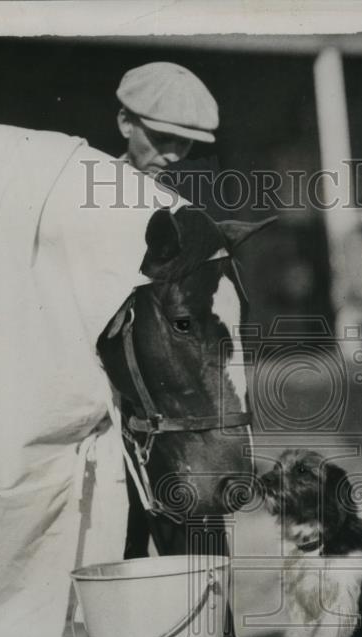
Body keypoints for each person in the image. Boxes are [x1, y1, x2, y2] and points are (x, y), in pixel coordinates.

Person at [113, 62, 220, 559]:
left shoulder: (183, 211)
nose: (174, 154)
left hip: (171, 414)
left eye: (187, 143)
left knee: (202, 556)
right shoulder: (80, 196)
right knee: (121, 561)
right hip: (99, 415)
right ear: (125, 124)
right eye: (160, 138)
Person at [115, 62, 218, 179]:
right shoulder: (93, 187)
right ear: (126, 123)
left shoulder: (196, 195)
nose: (172, 157)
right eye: (161, 138)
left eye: (183, 143)